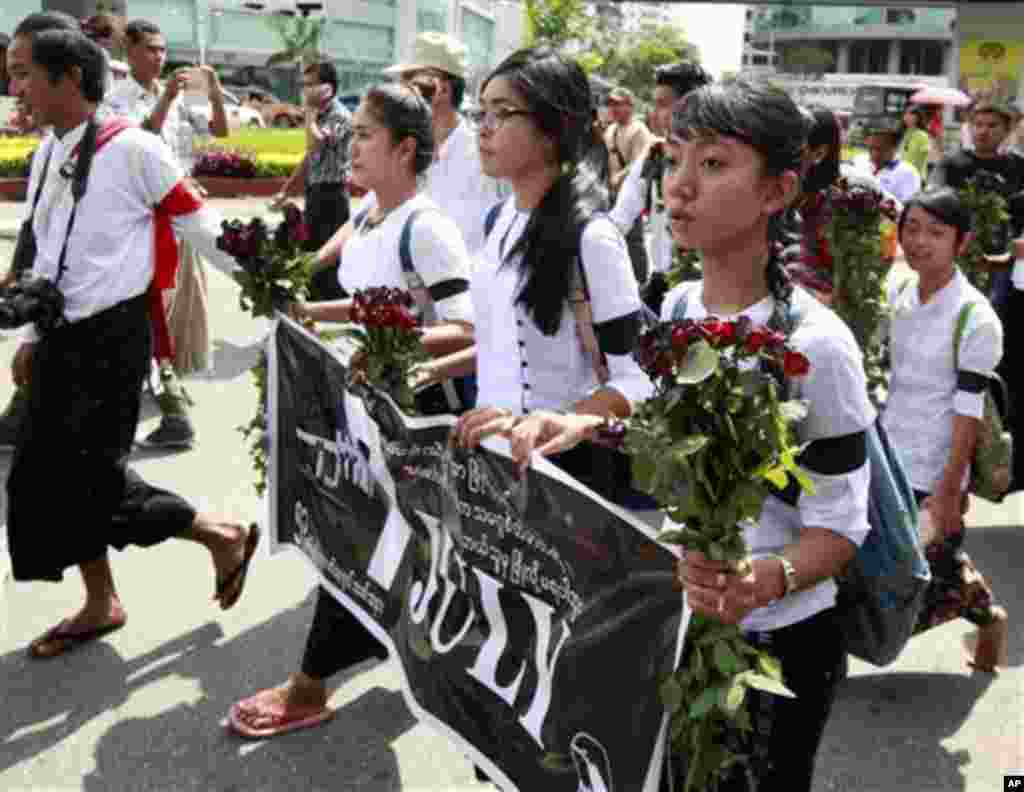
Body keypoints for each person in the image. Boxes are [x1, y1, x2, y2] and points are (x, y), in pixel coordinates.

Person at [471, 81, 874, 792]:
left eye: (715, 165)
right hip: (683, 627)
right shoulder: (682, 307)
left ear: (778, 191)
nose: (680, 186)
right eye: (677, 158)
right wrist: (581, 421)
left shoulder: (820, 347)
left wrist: (763, 580)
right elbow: (666, 427)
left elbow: (841, 526)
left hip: (779, 648)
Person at [228, 82, 476, 739]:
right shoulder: (369, 218)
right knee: (390, 547)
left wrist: (388, 356)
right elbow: (378, 305)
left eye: (364, 133)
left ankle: (309, 686)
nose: (349, 143)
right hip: (367, 407)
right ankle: (416, 651)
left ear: (404, 149)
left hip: (415, 416)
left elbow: (466, 331)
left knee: (360, 540)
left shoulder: (429, 229)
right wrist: (313, 312)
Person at [4, 21, 259, 659]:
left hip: (112, 343)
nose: (15, 87)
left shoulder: (134, 150)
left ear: (67, 79)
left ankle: (216, 535)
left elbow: (203, 229)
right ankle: (103, 599)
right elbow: (43, 254)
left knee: (87, 479)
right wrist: (32, 333)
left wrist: (278, 294)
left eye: (23, 73)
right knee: (38, 482)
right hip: (61, 337)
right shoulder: (47, 153)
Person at [884, 188, 1008, 670]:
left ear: (962, 242)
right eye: (911, 228)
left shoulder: (975, 318)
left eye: (936, 232)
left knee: (924, 567)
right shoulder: (898, 294)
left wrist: (950, 487)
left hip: (934, 462)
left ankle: (988, 619)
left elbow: (967, 411)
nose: (919, 241)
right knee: (910, 562)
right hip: (888, 451)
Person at [104, 19, 231, 450]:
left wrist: (212, 90)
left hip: (182, 214)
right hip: (147, 217)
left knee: (178, 308)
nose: (159, 57)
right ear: (130, 51)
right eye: (150, 49)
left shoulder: (173, 97)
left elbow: (219, 132)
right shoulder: (118, 99)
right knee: (156, 303)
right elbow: (139, 143)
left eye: (162, 49)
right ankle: (165, 387)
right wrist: (168, 100)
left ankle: (167, 383)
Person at [385, 31, 504, 257]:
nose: (401, 91)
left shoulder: (482, 156)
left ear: (442, 89)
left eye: (410, 81)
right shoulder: (405, 149)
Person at [609, 62, 711, 310]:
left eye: (663, 104)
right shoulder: (654, 155)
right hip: (665, 284)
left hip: (711, 284)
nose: (655, 113)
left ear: (691, 103)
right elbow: (619, 219)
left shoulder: (725, 159)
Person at [270, 61, 352, 302]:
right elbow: (310, 158)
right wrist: (286, 190)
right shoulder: (319, 117)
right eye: (303, 84)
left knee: (328, 261)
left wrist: (309, 115)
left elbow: (316, 142)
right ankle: (313, 310)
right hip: (316, 193)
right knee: (311, 256)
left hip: (333, 196)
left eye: (310, 84)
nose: (305, 90)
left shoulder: (339, 115)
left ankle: (329, 311)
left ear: (328, 88)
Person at [604, 85, 655, 283]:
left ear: (630, 106)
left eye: (618, 104)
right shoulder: (610, 130)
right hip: (610, 193)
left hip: (630, 193)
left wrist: (619, 176)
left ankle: (641, 283)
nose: (613, 108)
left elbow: (639, 162)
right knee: (614, 239)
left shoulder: (639, 130)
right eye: (611, 104)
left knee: (633, 240)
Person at [853, 128, 921, 204]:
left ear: (895, 148)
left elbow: (906, 209)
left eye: (880, 149)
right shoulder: (859, 161)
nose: (874, 154)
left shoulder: (908, 174)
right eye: (870, 148)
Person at [898, 104, 931, 182]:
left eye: (911, 115)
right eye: (906, 114)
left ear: (918, 118)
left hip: (915, 177)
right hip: (902, 175)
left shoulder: (922, 135)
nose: (907, 117)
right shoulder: (903, 133)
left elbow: (923, 160)